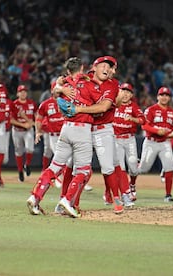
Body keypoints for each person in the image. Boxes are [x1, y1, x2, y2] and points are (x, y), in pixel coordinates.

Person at [26, 56, 100, 218]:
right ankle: (67, 200)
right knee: (84, 171)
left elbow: (55, 91)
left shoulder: (63, 84)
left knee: (54, 167)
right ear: (81, 69)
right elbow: (101, 104)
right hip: (82, 130)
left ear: (67, 71)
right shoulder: (89, 83)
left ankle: (35, 197)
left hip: (65, 129)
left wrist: (60, 87)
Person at [64, 56, 134, 213]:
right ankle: (70, 201)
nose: (110, 70)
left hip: (103, 129)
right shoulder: (83, 79)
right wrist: (60, 88)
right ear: (95, 67)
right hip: (84, 128)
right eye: (106, 66)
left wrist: (80, 109)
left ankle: (116, 198)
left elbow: (104, 107)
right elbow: (60, 83)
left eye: (112, 68)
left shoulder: (113, 84)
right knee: (76, 167)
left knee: (109, 166)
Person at [139, 86, 173, 202]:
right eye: (162, 95)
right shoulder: (151, 110)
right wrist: (157, 131)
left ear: (169, 98)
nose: (164, 97)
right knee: (144, 169)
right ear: (157, 97)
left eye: (167, 95)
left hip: (165, 143)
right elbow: (144, 126)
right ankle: (132, 183)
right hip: (151, 142)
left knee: (169, 167)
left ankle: (168, 195)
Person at [113, 83, 146, 200]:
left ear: (131, 94)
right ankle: (125, 192)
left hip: (129, 139)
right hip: (116, 139)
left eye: (128, 92)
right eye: (123, 91)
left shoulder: (134, 107)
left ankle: (132, 185)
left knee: (133, 168)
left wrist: (132, 118)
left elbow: (143, 120)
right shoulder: (113, 104)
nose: (125, 94)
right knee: (120, 168)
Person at [34, 82, 65, 171]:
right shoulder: (45, 104)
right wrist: (38, 132)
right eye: (56, 89)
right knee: (55, 155)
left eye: (60, 88)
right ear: (52, 90)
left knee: (68, 158)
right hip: (52, 134)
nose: (58, 91)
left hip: (65, 134)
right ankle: (48, 173)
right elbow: (39, 118)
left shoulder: (68, 102)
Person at [12, 84, 37, 182]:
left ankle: (27, 164)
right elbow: (10, 120)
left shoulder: (31, 103)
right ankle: (20, 171)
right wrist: (23, 124)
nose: (23, 93)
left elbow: (37, 115)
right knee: (18, 151)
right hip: (17, 130)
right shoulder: (14, 104)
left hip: (28, 130)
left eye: (25, 91)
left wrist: (34, 123)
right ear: (17, 93)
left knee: (30, 149)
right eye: (21, 91)